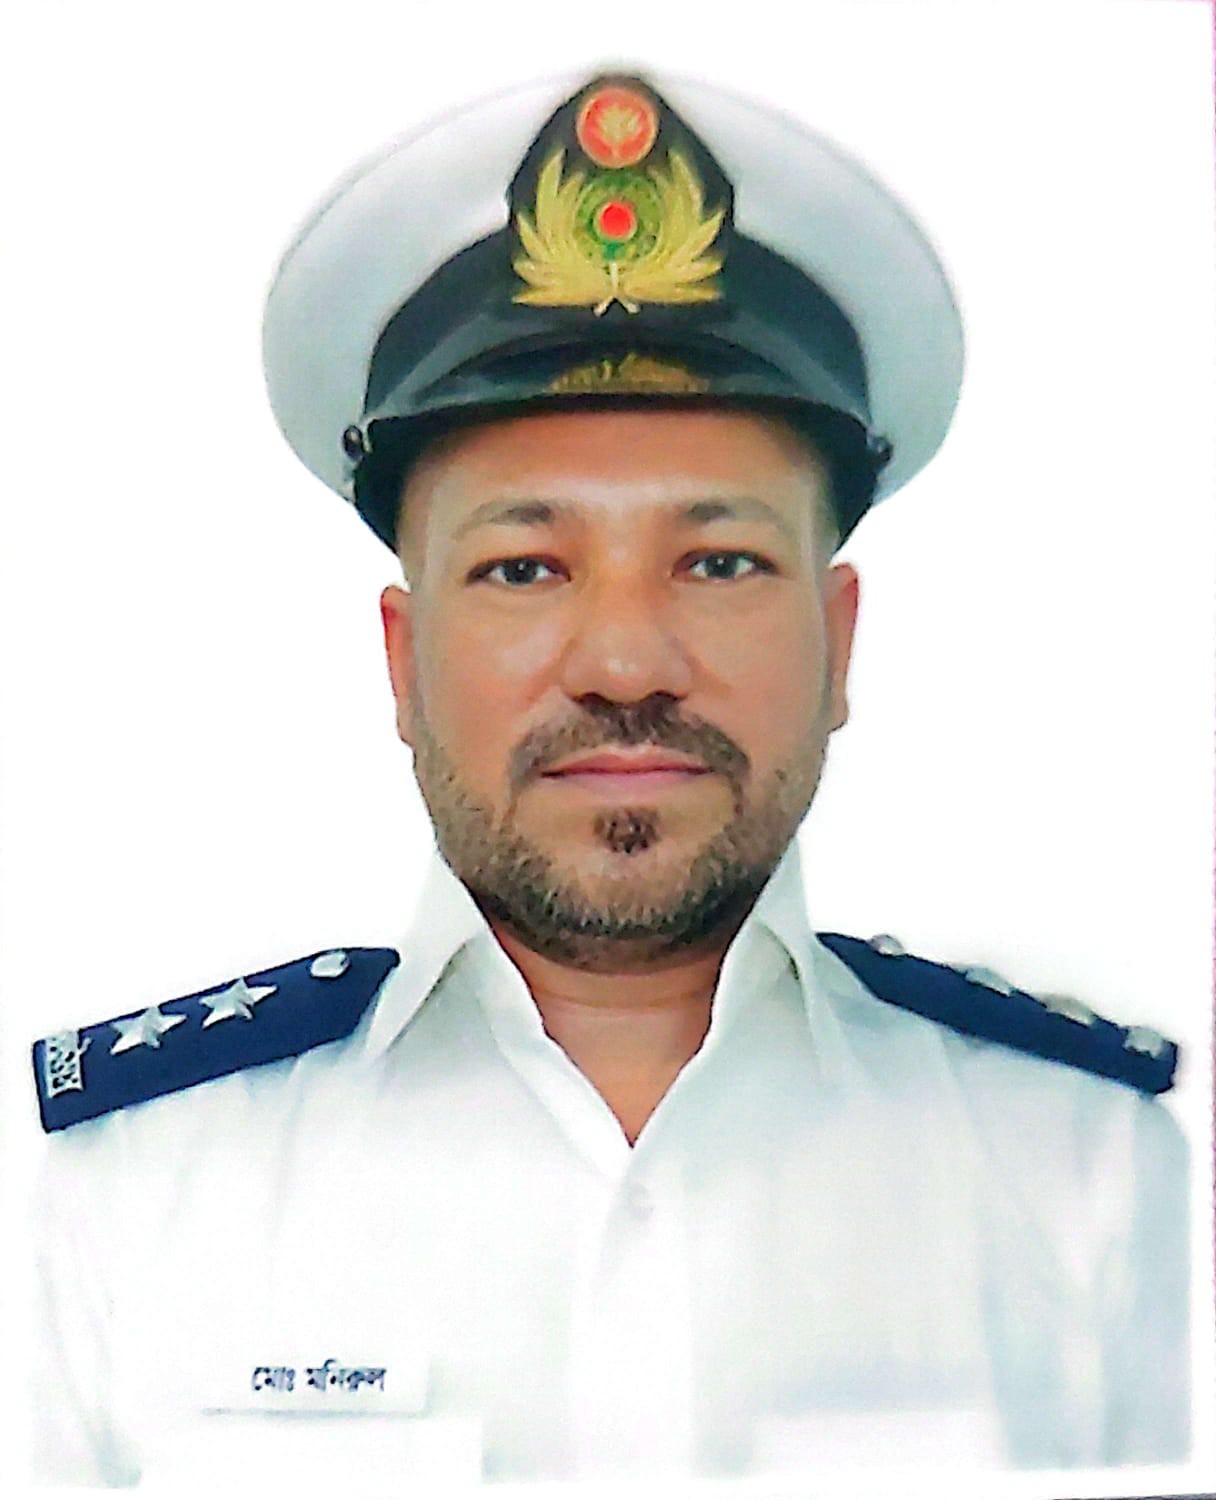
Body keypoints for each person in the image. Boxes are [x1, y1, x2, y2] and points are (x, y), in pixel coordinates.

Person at [32, 70, 1188, 1487]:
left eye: (720, 561)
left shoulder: (1098, 1183)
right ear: (404, 660)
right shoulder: (118, 1203)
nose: (627, 662)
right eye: (525, 568)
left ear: (838, 644)